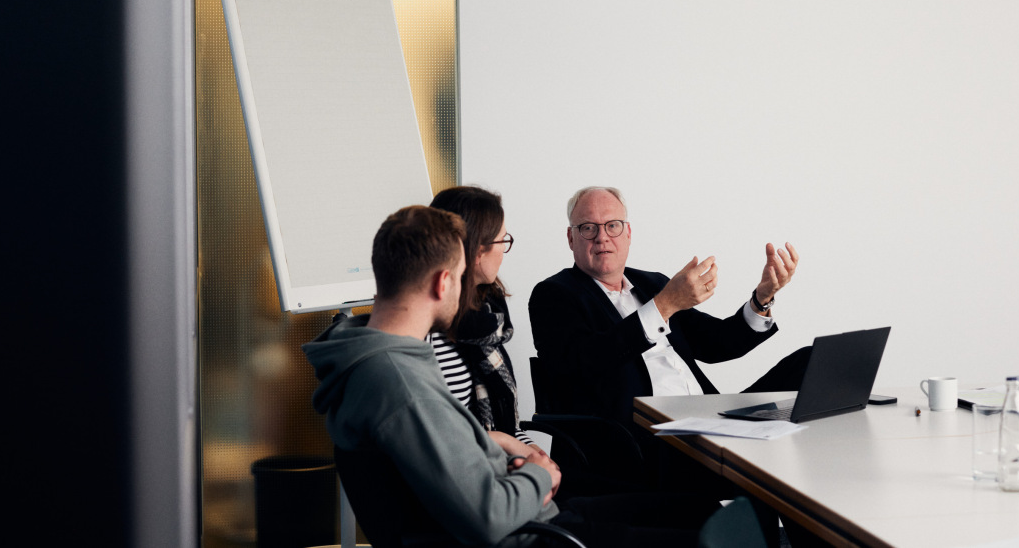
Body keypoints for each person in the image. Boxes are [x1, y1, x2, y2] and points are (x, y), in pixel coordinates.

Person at [303, 205, 715, 547]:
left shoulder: (380, 357)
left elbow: (424, 450)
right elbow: (488, 517)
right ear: (443, 281)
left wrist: (487, 439)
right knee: (716, 534)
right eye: (462, 274)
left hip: (532, 514)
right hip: (532, 535)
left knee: (704, 510)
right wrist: (542, 473)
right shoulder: (400, 383)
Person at [529, 186, 813, 429]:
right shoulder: (554, 295)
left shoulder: (651, 283)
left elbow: (718, 344)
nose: (602, 237)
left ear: (627, 233)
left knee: (810, 362)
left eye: (612, 225)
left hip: (711, 419)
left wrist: (762, 298)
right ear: (571, 238)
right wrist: (664, 305)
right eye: (588, 228)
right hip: (643, 439)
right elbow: (586, 364)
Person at [428, 186, 539, 455]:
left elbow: (507, 426)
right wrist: (514, 448)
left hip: (499, 467)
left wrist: (532, 450)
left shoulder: (486, 321)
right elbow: (439, 442)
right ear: (478, 250)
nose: (504, 251)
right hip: (474, 480)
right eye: (503, 241)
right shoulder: (427, 337)